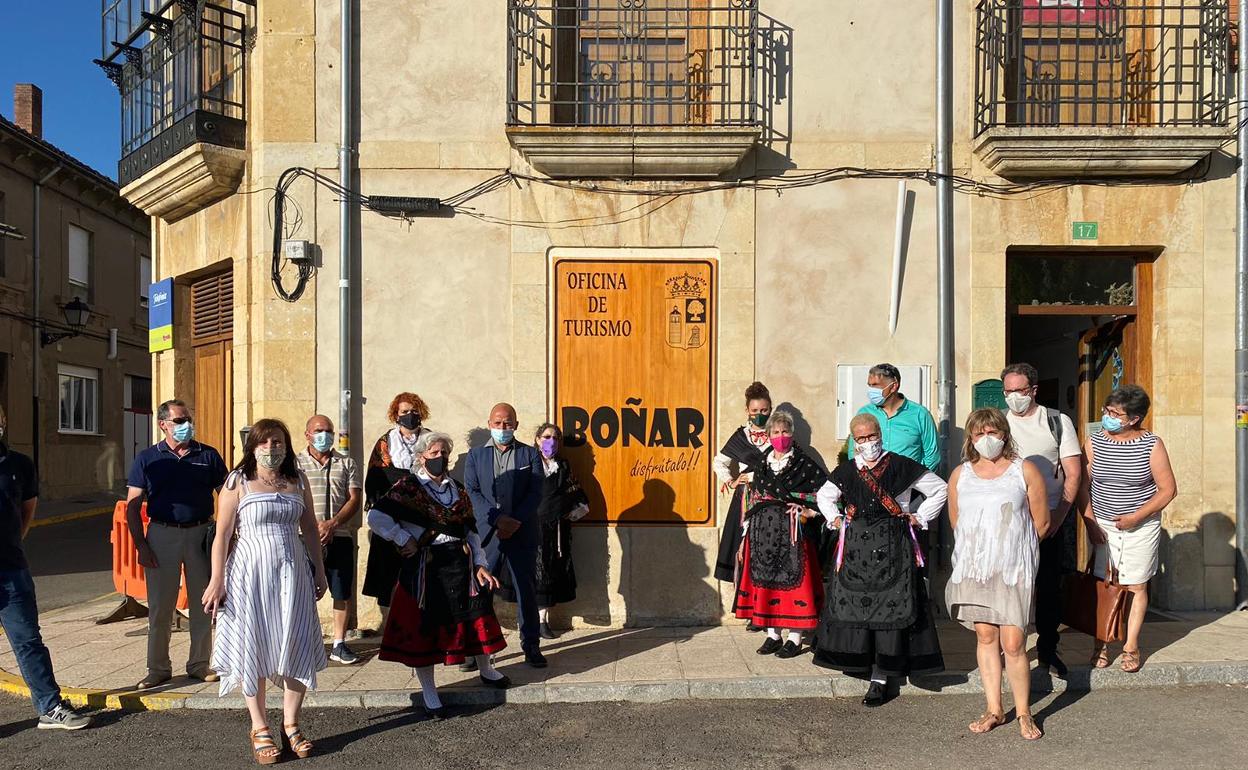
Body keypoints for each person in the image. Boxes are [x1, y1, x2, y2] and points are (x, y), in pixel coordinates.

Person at [203, 418, 328, 764]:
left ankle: (291, 723)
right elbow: (223, 535)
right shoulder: (237, 481)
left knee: (296, 642)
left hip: (293, 574)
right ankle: (259, 727)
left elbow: (311, 531)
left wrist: (319, 569)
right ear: (252, 447)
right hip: (249, 575)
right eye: (264, 443)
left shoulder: (298, 480)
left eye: (277, 442)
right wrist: (217, 580)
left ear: (286, 446)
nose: (271, 449)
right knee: (253, 647)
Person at [368, 431, 509, 718]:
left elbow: (470, 530)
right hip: (426, 566)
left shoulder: (456, 489)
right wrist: (401, 537)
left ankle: (487, 670)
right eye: (433, 453)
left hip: (460, 562)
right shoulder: (407, 488)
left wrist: (481, 563)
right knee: (426, 629)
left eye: (443, 452)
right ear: (421, 457)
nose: (439, 458)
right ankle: (430, 693)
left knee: (477, 615)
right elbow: (375, 516)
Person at [812, 413, 948, 707]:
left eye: (871, 436)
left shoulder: (901, 465)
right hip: (856, 553)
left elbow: (940, 489)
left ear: (880, 435)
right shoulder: (847, 470)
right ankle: (863, 664)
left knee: (890, 611)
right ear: (853, 440)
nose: (867, 442)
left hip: (894, 548)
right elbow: (824, 496)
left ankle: (882, 677)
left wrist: (920, 517)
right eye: (860, 438)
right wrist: (834, 518)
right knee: (860, 610)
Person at [946, 408, 1050, 741]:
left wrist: (1014, 551)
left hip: (1012, 570)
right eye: (979, 434)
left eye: (993, 432)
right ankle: (994, 708)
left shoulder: (1024, 470)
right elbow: (956, 521)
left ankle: (1024, 713)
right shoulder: (961, 475)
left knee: (1015, 642)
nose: (986, 439)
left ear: (1004, 434)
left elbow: (1042, 522)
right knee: (986, 638)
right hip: (975, 570)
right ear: (971, 439)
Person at [125, 399, 228, 690]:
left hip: (200, 534)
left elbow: (228, 496)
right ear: (163, 425)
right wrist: (141, 546)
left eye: (187, 420)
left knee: (204, 604)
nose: (186, 426)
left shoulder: (208, 455)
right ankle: (157, 668)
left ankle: (199, 664)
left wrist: (226, 533)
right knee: (160, 607)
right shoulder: (147, 458)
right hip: (161, 535)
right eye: (179, 421)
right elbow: (133, 505)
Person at [0, 405, 91, 730]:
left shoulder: (20, 466)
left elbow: (26, 512)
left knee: (28, 641)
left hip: (12, 572)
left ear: (3, 420)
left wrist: (12, 544)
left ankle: (50, 707)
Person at [1081, 385, 1176, 674]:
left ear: (1133, 418)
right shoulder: (1094, 441)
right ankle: (1101, 642)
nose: (1108, 417)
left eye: (1114, 413)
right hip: (1103, 524)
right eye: (1107, 411)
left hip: (1140, 526)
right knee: (1103, 585)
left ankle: (1131, 645)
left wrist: (1137, 517)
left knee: (1135, 585)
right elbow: (1084, 487)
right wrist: (1089, 522)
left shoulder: (1152, 444)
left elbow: (1167, 489)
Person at [1001, 363, 1082, 676]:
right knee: (1009, 589)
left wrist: (1059, 516)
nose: (1013, 397)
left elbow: (1073, 473)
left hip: (1048, 520)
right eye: (1007, 391)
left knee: (1048, 589)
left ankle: (1048, 650)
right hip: (1009, 523)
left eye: (1019, 391)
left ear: (1033, 390)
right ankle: (1011, 650)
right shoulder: (999, 423)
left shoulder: (1056, 422)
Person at [732, 410, 827, 659]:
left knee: (793, 585)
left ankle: (794, 638)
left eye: (785, 432)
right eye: (776, 432)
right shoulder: (762, 465)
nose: (780, 436)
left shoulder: (805, 465)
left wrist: (808, 509)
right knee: (768, 583)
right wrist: (745, 536)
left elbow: (826, 496)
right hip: (762, 533)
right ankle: (773, 635)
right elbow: (752, 500)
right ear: (769, 435)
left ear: (792, 434)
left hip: (793, 533)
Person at [464, 403, 547, 668]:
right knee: (481, 592)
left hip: (521, 532)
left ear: (516, 425)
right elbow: (472, 492)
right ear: (489, 423)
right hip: (489, 534)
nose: (503, 428)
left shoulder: (530, 455)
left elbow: (535, 492)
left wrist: (515, 521)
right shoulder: (475, 456)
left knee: (526, 590)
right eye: (498, 423)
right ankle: (478, 651)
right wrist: (498, 520)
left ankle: (531, 646)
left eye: (508, 423)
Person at [498, 423, 589, 639]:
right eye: (547, 436)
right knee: (529, 576)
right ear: (538, 439)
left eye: (556, 438)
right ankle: (526, 621)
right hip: (528, 528)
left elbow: (574, 492)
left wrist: (572, 510)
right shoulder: (526, 462)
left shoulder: (563, 465)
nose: (552, 441)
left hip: (554, 531)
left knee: (549, 576)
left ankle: (541, 621)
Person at [295, 414, 363, 665]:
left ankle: (339, 643)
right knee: (302, 591)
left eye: (329, 430)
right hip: (303, 537)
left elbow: (354, 498)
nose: (325, 435)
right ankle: (305, 642)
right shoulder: (295, 464)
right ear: (308, 434)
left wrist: (333, 524)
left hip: (340, 535)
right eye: (319, 430)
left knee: (341, 591)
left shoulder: (347, 463)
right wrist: (312, 527)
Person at [361, 393, 431, 632]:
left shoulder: (430, 439)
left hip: (421, 516)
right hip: (389, 516)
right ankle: (394, 627)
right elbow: (376, 478)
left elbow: (435, 474)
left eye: (413, 410)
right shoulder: (385, 442)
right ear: (395, 414)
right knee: (390, 574)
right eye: (403, 412)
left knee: (421, 574)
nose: (409, 415)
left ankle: (421, 624)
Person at [712, 382, 773, 600]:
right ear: (747, 411)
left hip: (771, 500)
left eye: (764, 410)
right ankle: (747, 606)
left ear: (771, 409)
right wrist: (730, 480)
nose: (759, 414)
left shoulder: (779, 433)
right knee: (744, 549)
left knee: (766, 548)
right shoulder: (740, 437)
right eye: (755, 411)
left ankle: (766, 605)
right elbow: (718, 462)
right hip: (745, 500)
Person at [849, 363, 940, 472]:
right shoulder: (864, 413)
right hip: (872, 484)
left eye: (876, 385)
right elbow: (853, 451)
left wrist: (915, 480)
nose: (871, 390)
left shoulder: (920, 414)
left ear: (893, 386)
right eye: (870, 385)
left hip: (910, 485)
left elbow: (932, 455)